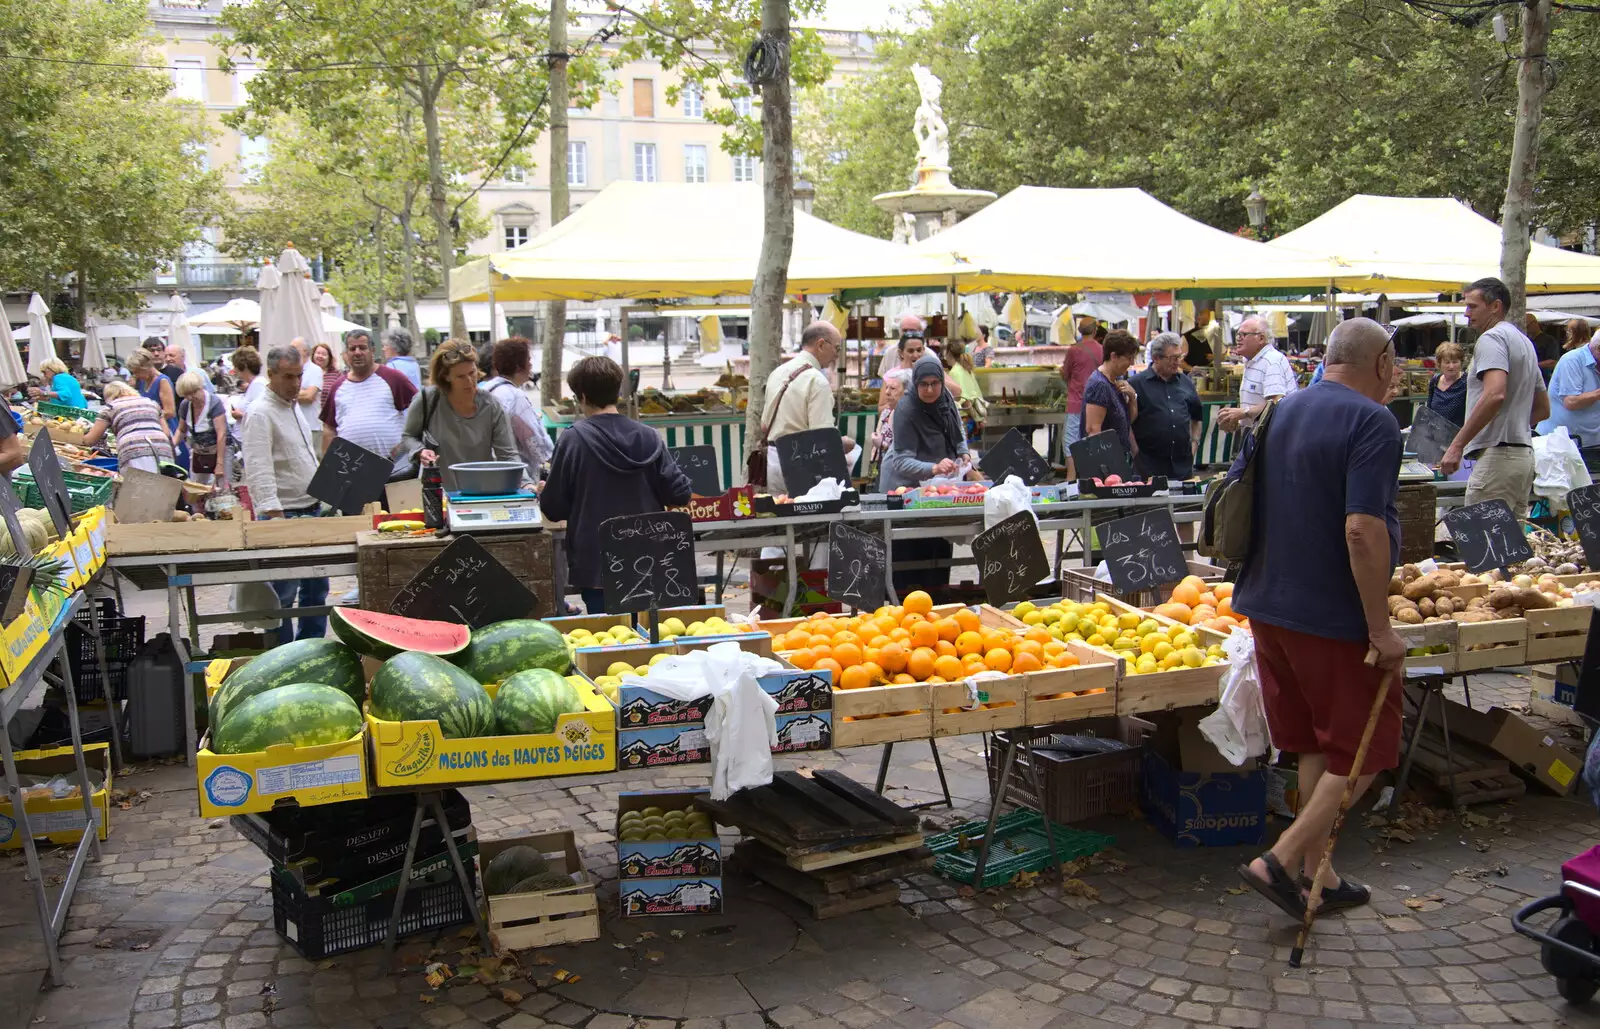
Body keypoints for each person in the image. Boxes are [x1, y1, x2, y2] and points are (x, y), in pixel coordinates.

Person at [1231, 317, 1405, 923]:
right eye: (1398, 363)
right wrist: (1380, 628)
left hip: (1268, 604)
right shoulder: (1373, 420)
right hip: (1330, 614)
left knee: (1313, 741)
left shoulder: (1280, 409)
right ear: (1382, 363)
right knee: (1366, 749)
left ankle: (1318, 876)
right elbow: (1362, 527)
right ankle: (1279, 861)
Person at [538, 356, 692, 615]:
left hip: (595, 564)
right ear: (618, 391)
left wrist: (546, 490)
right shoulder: (649, 436)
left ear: (582, 396)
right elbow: (679, 493)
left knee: (609, 641)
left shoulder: (573, 440)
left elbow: (554, 508)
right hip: (651, 560)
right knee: (651, 639)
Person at [1440, 277, 1550, 515]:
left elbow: (1494, 394)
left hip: (1497, 458)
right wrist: (1512, 424)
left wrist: (1457, 445)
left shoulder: (1492, 338)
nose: (1466, 313)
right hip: (1522, 458)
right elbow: (1543, 408)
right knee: (1513, 548)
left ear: (1495, 306)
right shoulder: (1525, 342)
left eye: (1472, 306)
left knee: (1483, 544)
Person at [242, 346, 328, 643]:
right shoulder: (260, 413)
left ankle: (312, 648)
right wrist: (274, 515)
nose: (295, 383)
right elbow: (258, 468)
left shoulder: (293, 408)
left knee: (317, 589)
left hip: (311, 509)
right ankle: (283, 655)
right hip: (284, 514)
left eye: (299, 376)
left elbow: (305, 456)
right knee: (283, 594)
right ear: (271, 375)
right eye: (288, 377)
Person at [881, 354, 971, 594]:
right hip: (905, 486)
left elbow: (957, 430)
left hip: (937, 488)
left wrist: (963, 453)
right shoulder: (905, 410)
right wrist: (932, 468)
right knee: (909, 554)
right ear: (916, 384)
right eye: (924, 384)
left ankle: (938, 602)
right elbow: (901, 460)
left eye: (935, 383)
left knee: (938, 548)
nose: (930, 389)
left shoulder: (946, 399)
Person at [401, 339, 525, 493]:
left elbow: (507, 454)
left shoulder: (491, 405)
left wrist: (526, 483)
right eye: (460, 376)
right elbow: (408, 436)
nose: (469, 381)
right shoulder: (428, 399)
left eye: (472, 373)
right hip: (438, 493)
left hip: (481, 492)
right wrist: (420, 451)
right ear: (445, 377)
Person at [760, 322, 855, 495]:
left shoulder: (778, 373)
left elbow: (764, 426)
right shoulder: (816, 380)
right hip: (801, 464)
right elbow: (822, 437)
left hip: (773, 461)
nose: (837, 354)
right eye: (837, 347)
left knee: (780, 516)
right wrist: (844, 444)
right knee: (808, 520)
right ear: (821, 344)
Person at [320, 329, 418, 475]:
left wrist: (407, 444)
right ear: (346, 354)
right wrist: (328, 467)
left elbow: (420, 410)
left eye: (363, 347)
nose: (357, 352)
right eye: (352, 349)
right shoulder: (338, 387)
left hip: (394, 468)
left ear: (372, 350)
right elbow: (329, 428)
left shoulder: (393, 378)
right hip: (351, 472)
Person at [480, 336, 554, 481]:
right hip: (515, 477)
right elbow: (535, 441)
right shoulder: (515, 397)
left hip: (485, 470)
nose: (531, 366)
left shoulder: (486, 390)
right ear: (519, 366)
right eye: (529, 360)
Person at [1129, 332, 1201, 479]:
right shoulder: (1136, 384)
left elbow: (1197, 416)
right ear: (1156, 358)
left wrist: (1194, 444)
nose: (1177, 362)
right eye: (1173, 358)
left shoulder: (1186, 382)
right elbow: (1126, 423)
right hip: (1148, 466)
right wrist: (1136, 454)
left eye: (1179, 357)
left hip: (1182, 466)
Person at [1216, 315, 1295, 432]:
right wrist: (1238, 422)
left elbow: (1276, 403)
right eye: (1237, 334)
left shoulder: (1271, 361)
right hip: (1259, 438)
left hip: (1272, 439)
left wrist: (1243, 412)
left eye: (1243, 334)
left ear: (1261, 338)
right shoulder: (1253, 361)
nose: (1238, 338)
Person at [83, 381, 175, 474]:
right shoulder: (152, 403)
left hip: (132, 447)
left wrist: (78, 437)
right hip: (161, 445)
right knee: (163, 482)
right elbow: (166, 433)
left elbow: (90, 440)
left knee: (137, 483)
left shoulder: (110, 408)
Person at [1080, 329, 1140, 464]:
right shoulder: (1099, 385)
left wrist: (1132, 398)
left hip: (1118, 459)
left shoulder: (1115, 382)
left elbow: (1127, 421)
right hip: (1107, 465)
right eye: (1129, 358)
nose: (1132, 363)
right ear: (1114, 356)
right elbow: (1092, 431)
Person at [1536, 324, 1600, 444]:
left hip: (1589, 443)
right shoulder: (1572, 360)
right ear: (1598, 349)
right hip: (1560, 445)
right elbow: (1571, 402)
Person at [1059, 316, 1103, 471]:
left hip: (1076, 402)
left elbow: (1065, 373)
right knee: (1092, 438)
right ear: (1095, 330)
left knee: (1071, 440)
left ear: (1079, 331)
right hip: (1097, 403)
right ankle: (1091, 474)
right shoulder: (1101, 349)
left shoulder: (1074, 350)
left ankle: (1071, 476)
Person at [174, 372, 229, 486]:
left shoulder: (214, 402)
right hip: (200, 451)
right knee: (196, 487)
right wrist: (171, 445)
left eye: (193, 393)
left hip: (221, 449)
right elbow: (181, 430)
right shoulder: (185, 405)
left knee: (222, 486)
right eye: (186, 395)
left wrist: (219, 464)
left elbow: (221, 434)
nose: (190, 397)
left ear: (200, 387)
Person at [128, 349, 181, 466]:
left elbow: (170, 411)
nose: (136, 375)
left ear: (146, 367)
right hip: (151, 431)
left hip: (166, 431)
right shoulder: (142, 381)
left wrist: (146, 414)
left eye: (137, 372)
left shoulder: (162, 381)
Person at [289, 337, 325, 449]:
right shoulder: (290, 369)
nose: (290, 352)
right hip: (294, 426)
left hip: (311, 426)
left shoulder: (315, 370)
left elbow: (309, 397)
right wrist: (301, 392)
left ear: (305, 352)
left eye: (294, 348)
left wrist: (288, 392)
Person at [870, 369, 909, 467]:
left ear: (906, 391)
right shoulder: (886, 412)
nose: (887, 392)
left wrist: (882, 445)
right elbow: (879, 433)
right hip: (883, 464)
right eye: (886, 387)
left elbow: (905, 451)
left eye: (893, 388)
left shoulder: (909, 415)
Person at [1426, 342, 1467, 426]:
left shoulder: (1467, 382)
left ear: (1461, 363)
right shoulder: (1435, 380)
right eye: (1447, 362)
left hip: (1458, 434)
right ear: (1439, 364)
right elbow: (1429, 410)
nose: (1451, 366)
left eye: (1455, 362)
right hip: (1436, 433)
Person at [229, 347, 265, 425]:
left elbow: (261, 416)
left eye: (235, 366)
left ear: (244, 366)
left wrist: (241, 416)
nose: (234, 370)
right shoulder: (253, 384)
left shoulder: (258, 385)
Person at [1526, 312, 1560, 383]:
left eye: (1527, 326)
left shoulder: (1549, 340)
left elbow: (1553, 362)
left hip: (1544, 380)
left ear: (1534, 324)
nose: (1526, 329)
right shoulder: (1526, 339)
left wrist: (1533, 366)